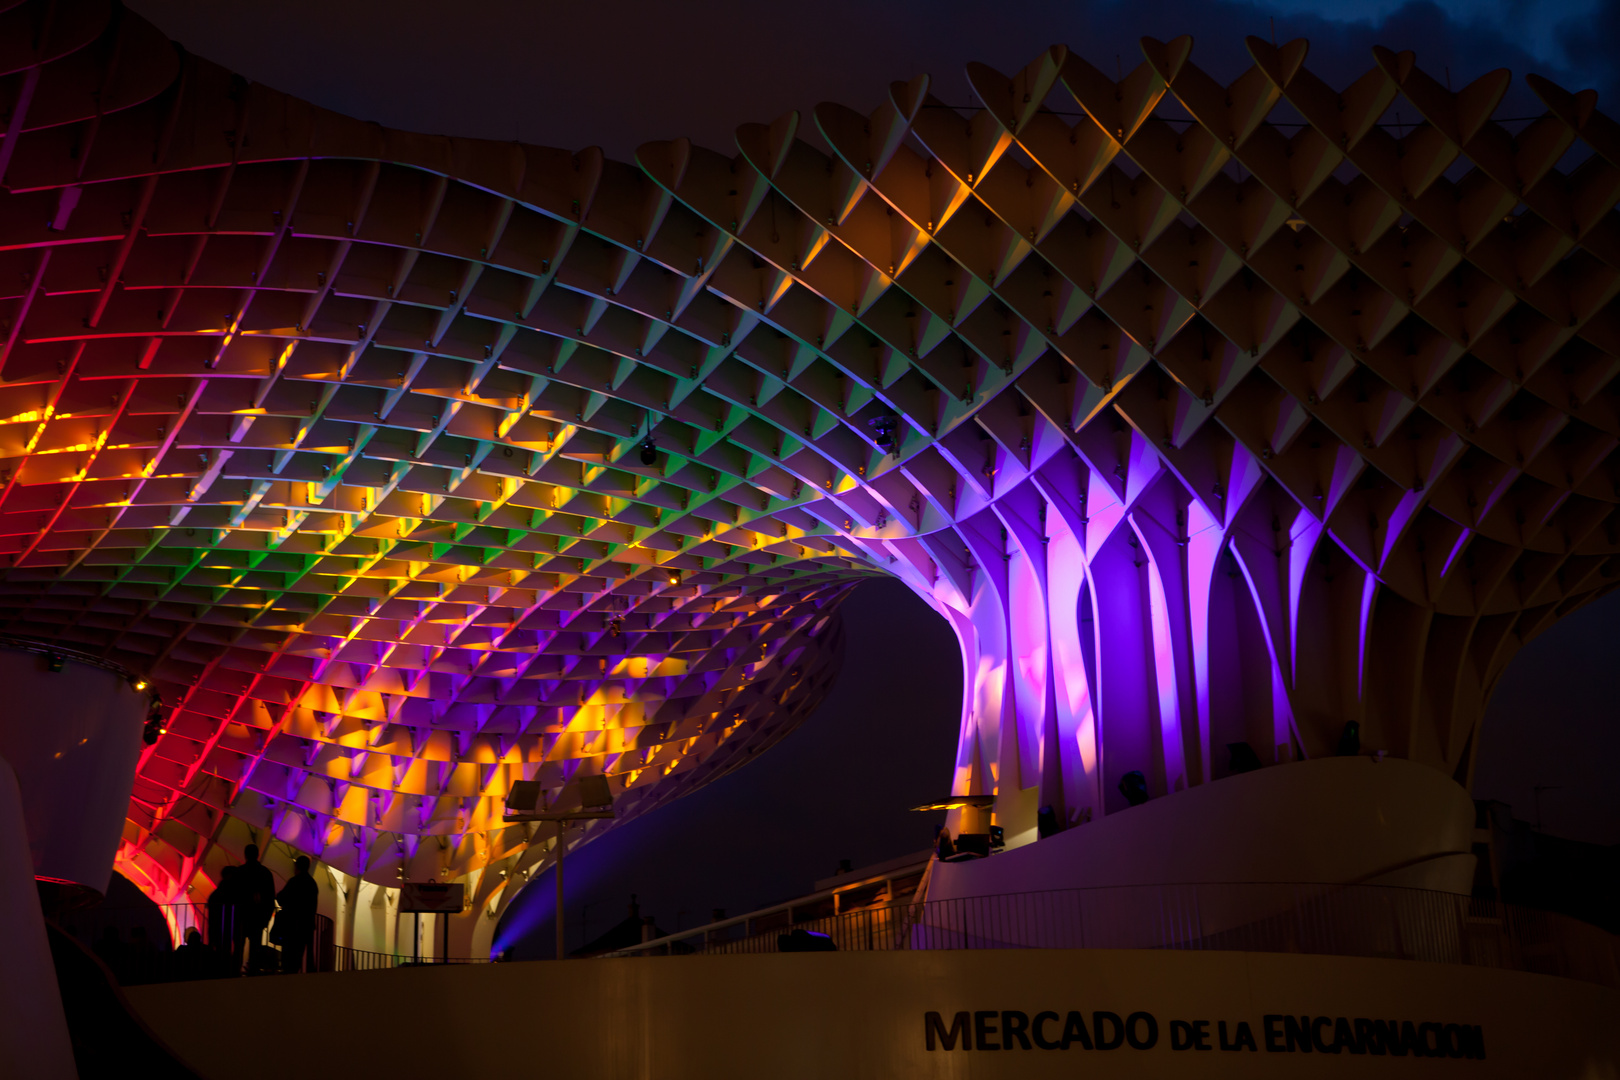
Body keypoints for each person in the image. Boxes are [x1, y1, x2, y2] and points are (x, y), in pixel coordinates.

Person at [236, 844, 276, 974]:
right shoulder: (265, 873)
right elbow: (270, 897)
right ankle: (252, 971)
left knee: (238, 946)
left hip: (242, 916)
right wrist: (266, 917)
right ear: (257, 855)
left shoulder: (240, 872)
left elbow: (234, 895)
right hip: (258, 917)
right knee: (255, 946)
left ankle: (235, 971)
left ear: (246, 855)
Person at [275, 856, 319, 973]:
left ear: (297, 866)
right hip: (306, 925)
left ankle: (288, 977)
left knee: (288, 955)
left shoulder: (294, 881)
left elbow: (282, 898)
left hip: (291, 925)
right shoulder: (312, 883)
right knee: (299, 954)